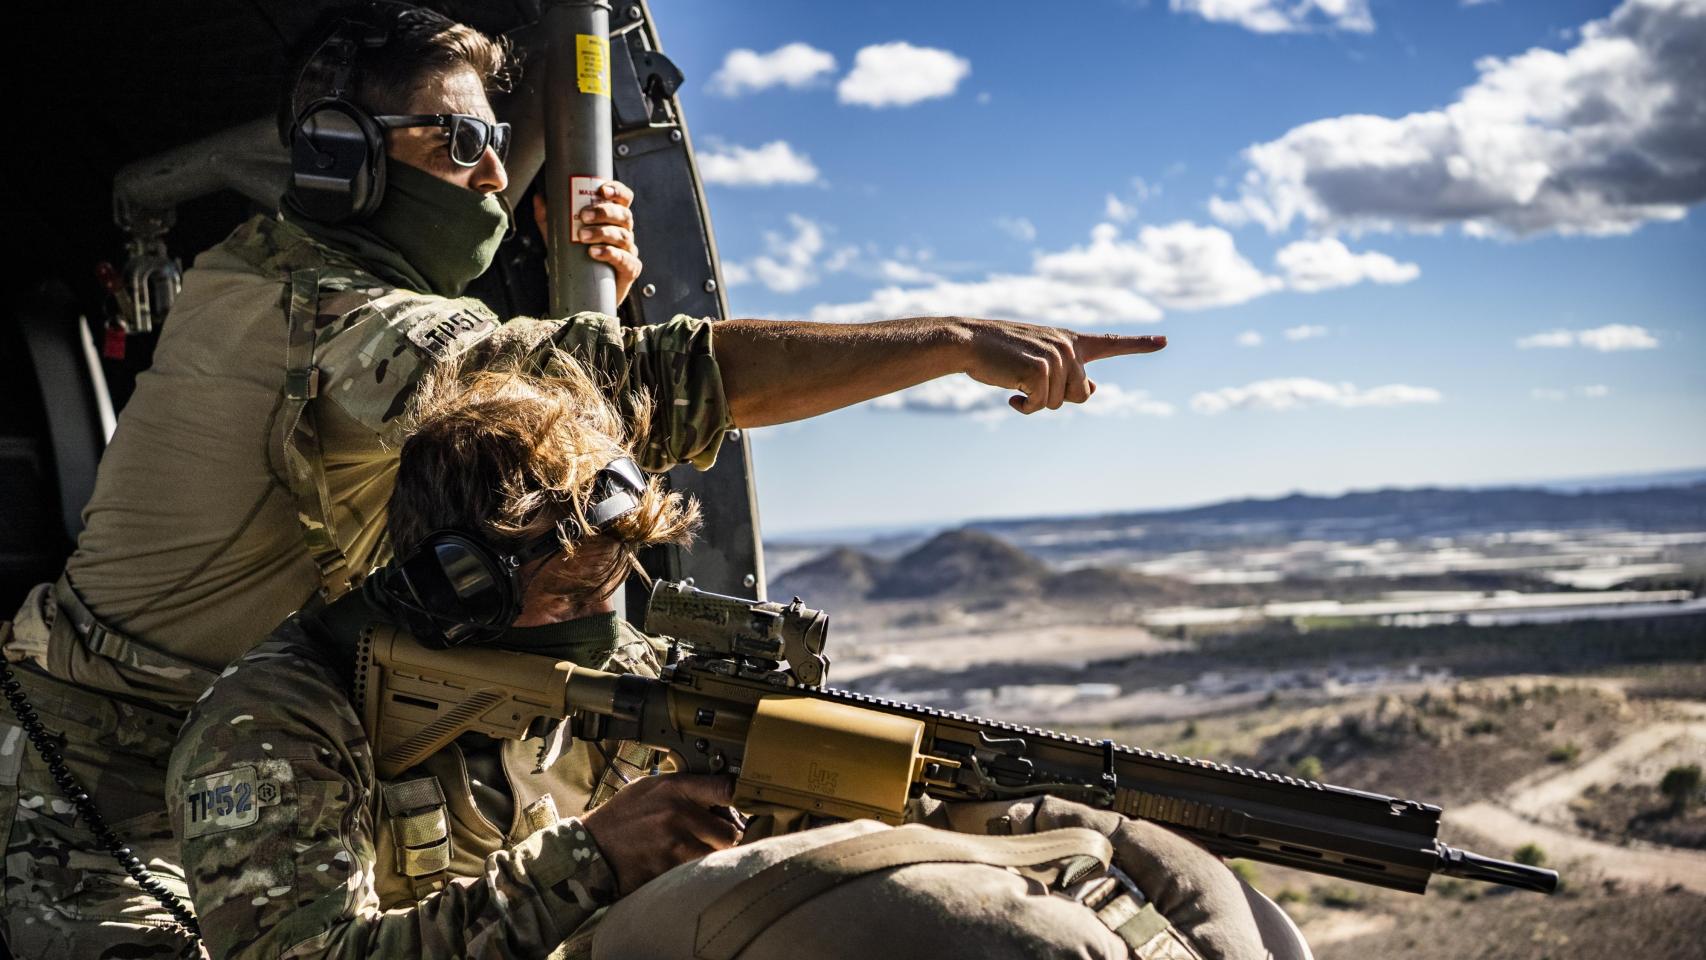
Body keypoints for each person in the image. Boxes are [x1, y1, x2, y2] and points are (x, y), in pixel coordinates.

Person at [0, 3, 1165, 955]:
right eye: (460, 143)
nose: (493, 174)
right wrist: (950, 341)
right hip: (119, 779)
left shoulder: (322, 286)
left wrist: (579, 283)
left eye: (499, 141)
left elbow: (508, 432)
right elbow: (628, 384)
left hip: (318, 733)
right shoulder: (307, 312)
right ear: (339, 158)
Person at [170, 356, 1300, 960]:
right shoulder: (278, 723)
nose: (606, 622)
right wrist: (589, 862)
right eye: (568, 592)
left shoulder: (627, 655)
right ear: (452, 586)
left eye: (620, 582)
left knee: (1142, 861)